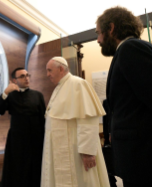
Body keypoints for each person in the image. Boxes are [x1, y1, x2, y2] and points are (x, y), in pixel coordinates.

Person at [96, 6, 152, 187]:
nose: (98, 40)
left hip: (142, 158)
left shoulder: (130, 48)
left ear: (111, 28)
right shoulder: (126, 50)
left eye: (98, 33)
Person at [41, 57, 109, 187]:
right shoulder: (58, 88)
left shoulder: (78, 84)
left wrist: (88, 152)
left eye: (49, 70)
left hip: (76, 152)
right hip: (59, 151)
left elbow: (88, 121)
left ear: (61, 69)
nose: (47, 74)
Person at [0, 67, 46, 187]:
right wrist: (6, 92)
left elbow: (43, 118)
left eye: (27, 75)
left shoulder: (38, 95)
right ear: (14, 80)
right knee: (17, 171)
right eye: (22, 76)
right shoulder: (10, 96)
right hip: (17, 141)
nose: (26, 78)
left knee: (35, 170)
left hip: (36, 140)